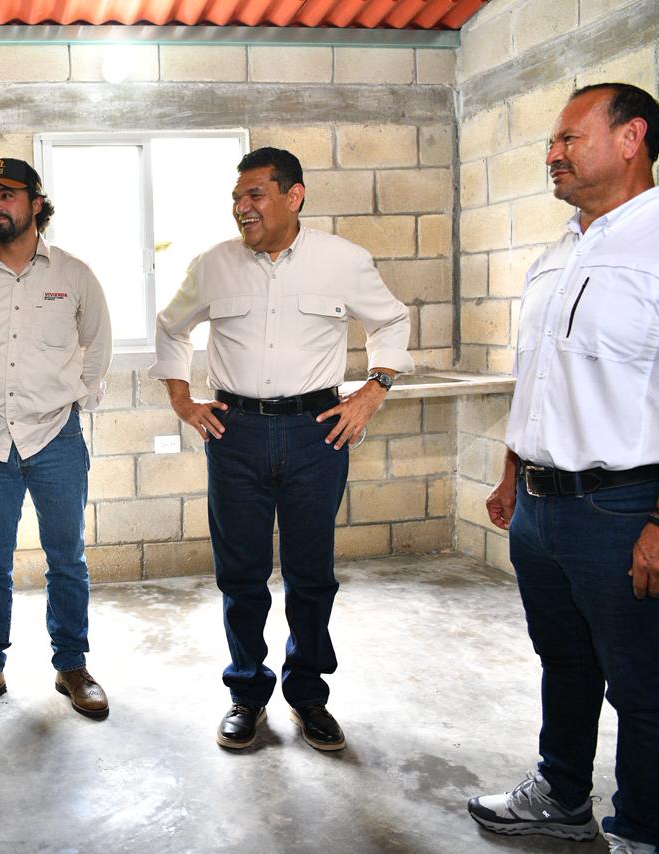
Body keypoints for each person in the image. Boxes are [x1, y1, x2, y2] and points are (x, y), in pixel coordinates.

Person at [467, 83, 659, 854]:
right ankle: (563, 794)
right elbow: (538, 378)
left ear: (631, 138)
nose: (552, 154)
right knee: (563, 660)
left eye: (569, 138)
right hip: (540, 506)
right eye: (551, 142)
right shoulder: (558, 254)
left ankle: (639, 832)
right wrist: (512, 473)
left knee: (638, 681)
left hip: (627, 508)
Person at [150, 147, 413, 752]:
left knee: (311, 575)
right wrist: (182, 400)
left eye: (255, 195)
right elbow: (171, 327)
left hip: (315, 433)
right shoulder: (213, 265)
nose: (242, 208)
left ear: (294, 197)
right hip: (235, 433)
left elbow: (391, 322)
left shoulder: (342, 260)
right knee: (241, 575)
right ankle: (247, 692)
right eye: (236, 198)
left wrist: (373, 391)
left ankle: (308, 694)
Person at [0, 158, 113, 723]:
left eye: (7, 194)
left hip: (56, 438)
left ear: (36, 204)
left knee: (67, 559)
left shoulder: (73, 275)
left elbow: (98, 345)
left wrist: (73, 400)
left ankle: (72, 666)